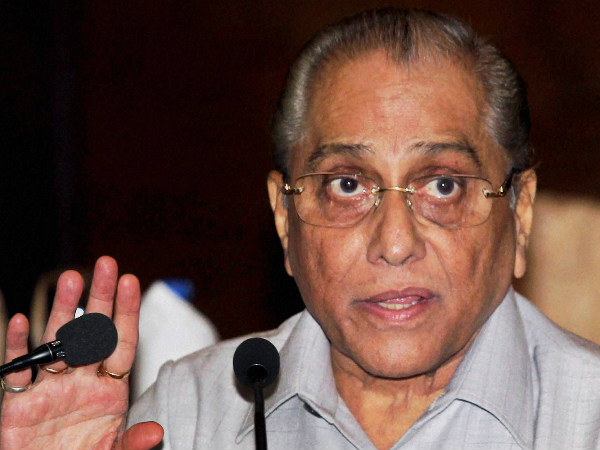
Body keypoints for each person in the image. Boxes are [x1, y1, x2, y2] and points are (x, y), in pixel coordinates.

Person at [2, 7, 600, 450]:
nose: (395, 243)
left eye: (443, 185)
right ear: (285, 219)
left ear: (520, 213)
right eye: (347, 185)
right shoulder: (187, 416)